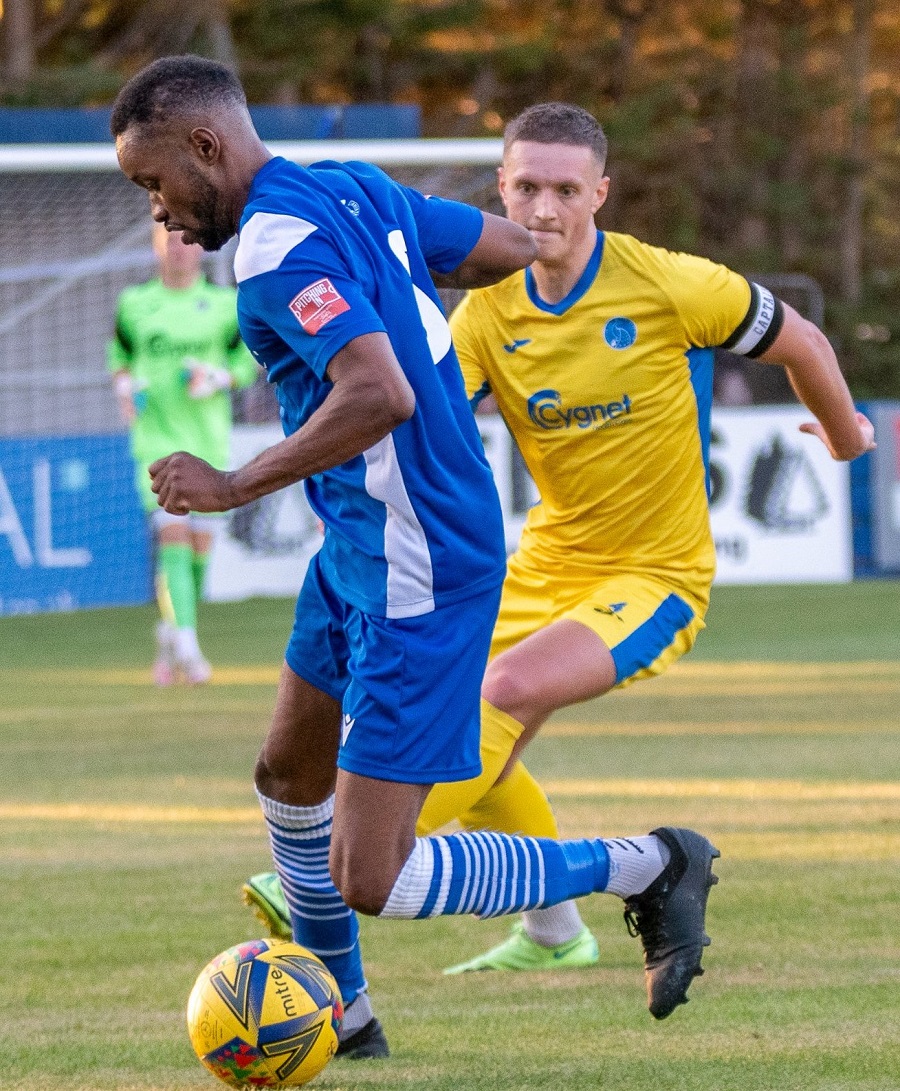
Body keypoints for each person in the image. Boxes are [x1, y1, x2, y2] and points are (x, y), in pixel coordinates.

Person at [112, 61, 722, 1060]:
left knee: (373, 873)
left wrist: (232, 481)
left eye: (155, 182)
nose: (161, 209)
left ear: (208, 148)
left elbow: (378, 392)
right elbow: (504, 246)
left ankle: (648, 864)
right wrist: (486, 265)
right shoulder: (352, 185)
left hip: (418, 559)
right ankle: (345, 1019)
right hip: (364, 540)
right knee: (285, 770)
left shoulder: (273, 250)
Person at [238, 97, 875, 1005]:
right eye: (526, 186)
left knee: (502, 694)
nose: (543, 209)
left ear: (600, 194)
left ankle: (356, 859)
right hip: (540, 567)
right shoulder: (490, 312)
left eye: (566, 189)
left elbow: (801, 339)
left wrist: (848, 438)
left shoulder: (668, 284)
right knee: (472, 720)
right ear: (500, 188)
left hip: (655, 578)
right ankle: (552, 933)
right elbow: (420, 415)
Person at [109, 221, 258, 684]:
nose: (178, 248)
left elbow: (247, 362)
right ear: (156, 245)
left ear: (198, 248)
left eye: (183, 240)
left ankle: (170, 630)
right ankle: (190, 649)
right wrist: (125, 388)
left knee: (199, 548)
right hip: (156, 441)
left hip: (208, 442)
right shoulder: (134, 305)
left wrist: (218, 378)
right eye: (168, 239)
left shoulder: (224, 306)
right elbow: (120, 359)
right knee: (172, 536)